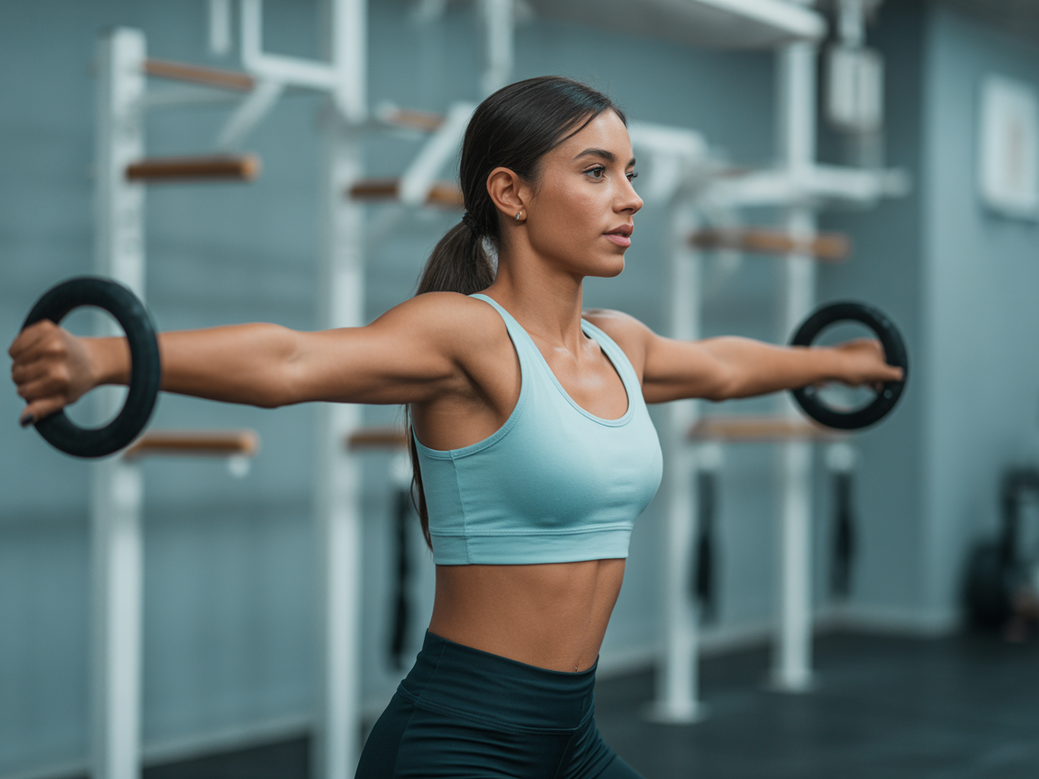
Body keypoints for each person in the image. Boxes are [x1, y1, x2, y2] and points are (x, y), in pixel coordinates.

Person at [9, 76, 902, 778]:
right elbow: (291, 362)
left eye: (631, 173)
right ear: (510, 193)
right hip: (462, 738)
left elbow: (723, 367)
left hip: (570, 735)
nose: (629, 198)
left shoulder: (616, 344)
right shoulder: (465, 335)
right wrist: (110, 359)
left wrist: (835, 366)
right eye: (596, 172)